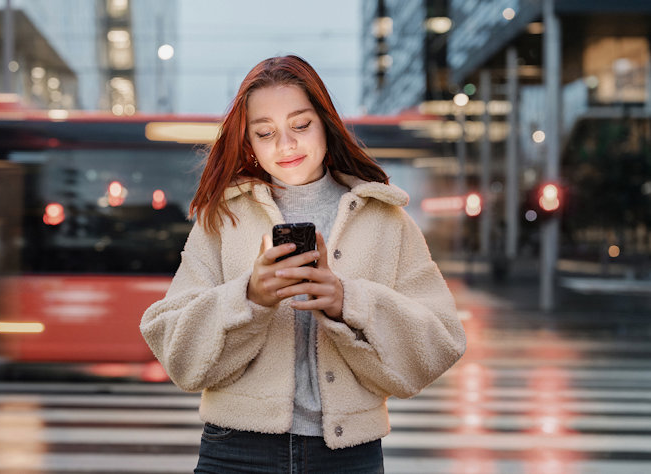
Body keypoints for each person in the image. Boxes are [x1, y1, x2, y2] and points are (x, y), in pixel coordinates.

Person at [140, 55, 466, 473]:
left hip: (349, 457)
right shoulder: (223, 218)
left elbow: (441, 342)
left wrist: (348, 301)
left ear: (326, 124)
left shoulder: (385, 218)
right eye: (265, 132)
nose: (285, 144)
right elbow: (174, 352)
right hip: (235, 451)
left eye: (300, 125)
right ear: (250, 144)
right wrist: (249, 297)